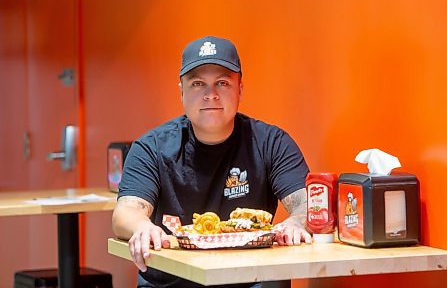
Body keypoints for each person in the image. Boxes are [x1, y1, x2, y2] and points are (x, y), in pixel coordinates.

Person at [112, 36, 312, 288]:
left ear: (240, 89)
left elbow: (309, 203)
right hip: (171, 282)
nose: (211, 95)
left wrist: (297, 220)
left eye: (222, 83)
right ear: (182, 91)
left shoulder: (271, 142)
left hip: (247, 281)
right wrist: (142, 226)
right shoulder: (151, 148)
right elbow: (125, 213)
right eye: (197, 84)